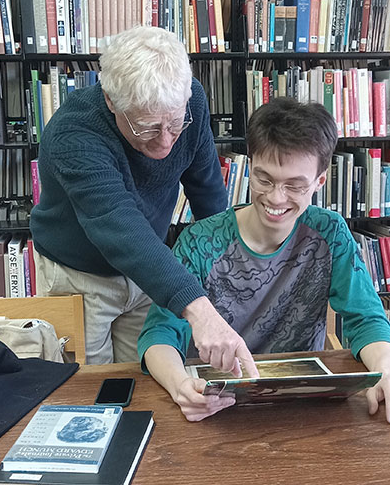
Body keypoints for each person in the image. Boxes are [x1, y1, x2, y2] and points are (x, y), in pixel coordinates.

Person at [138, 98, 390, 425]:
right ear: (250, 166)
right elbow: (158, 334)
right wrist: (181, 386)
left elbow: (365, 317)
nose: (276, 198)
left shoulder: (329, 232)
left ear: (320, 181)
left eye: (295, 185)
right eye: (264, 179)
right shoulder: (199, 241)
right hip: (216, 407)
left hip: (302, 407)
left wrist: (389, 373)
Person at [30, 25, 258, 374]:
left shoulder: (190, 100)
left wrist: (226, 266)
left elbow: (207, 188)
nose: (165, 143)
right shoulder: (72, 134)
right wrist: (198, 308)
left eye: (174, 124)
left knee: (147, 377)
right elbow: (119, 227)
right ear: (110, 100)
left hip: (148, 273)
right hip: (79, 277)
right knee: (90, 389)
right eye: (147, 127)